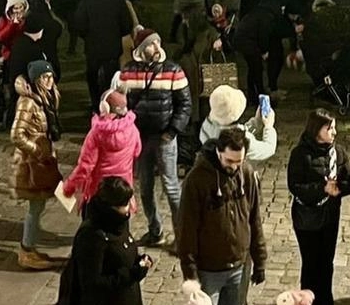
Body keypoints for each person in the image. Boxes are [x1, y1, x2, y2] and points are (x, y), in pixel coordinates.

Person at [177, 127, 267, 305]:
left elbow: (254, 218)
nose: (234, 167)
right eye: (229, 161)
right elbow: (186, 229)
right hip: (208, 270)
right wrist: (191, 275)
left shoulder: (246, 174)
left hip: (240, 266)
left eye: (238, 162)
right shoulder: (197, 180)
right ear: (219, 152)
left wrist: (260, 260)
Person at [120, 27, 192, 247]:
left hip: (164, 137)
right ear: (142, 49)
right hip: (140, 138)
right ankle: (155, 230)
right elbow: (124, 104)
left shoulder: (173, 70)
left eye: (158, 42)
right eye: (151, 44)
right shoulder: (128, 72)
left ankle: (182, 237)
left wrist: (171, 132)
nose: (157, 47)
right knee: (145, 188)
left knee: (171, 187)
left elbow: (185, 104)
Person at [287, 108, 350, 305]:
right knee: (310, 264)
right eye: (329, 128)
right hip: (307, 218)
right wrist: (322, 188)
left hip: (330, 216)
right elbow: (296, 186)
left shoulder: (338, 153)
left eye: (334, 128)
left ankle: (326, 300)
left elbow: (349, 183)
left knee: (326, 263)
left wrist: (340, 187)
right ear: (317, 130)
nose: (334, 132)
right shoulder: (300, 154)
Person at [59, 176, 153, 305]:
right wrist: (131, 275)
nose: (129, 207)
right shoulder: (92, 236)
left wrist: (140, 262)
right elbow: (92, 283)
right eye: (125, 203)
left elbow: (122, 253)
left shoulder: (119, 222)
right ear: (111, 206)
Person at [11, 60, 64, 271]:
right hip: (32, 162)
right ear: (36, 79)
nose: (49, 81)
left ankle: (30, 247)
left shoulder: (46, 98)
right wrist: (37, 150)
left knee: (39, 204)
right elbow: (16, 135)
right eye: (45, 77)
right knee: (35, 206)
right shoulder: (28, 102)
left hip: (43, 159)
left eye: (51, 77)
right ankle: (26, 250)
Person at [62, 89, 141, 215]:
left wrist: (69, 187)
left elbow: (85, 167)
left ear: (105, 107)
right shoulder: (132, 128)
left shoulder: (96, 133)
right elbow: (137, 151)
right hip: (123, 188)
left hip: (100, 192)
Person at [72, 0, 135, 113]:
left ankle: (96, 104)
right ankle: (111, 104)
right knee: (111, 78)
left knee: (92, 76)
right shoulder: (117, 1)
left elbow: (79, 24)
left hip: (93, 47)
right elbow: (127, 25)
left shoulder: (86, 1)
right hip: (112, 48)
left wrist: (87, 36)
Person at [198, 84, 277, 162]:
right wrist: (269, 127)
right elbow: (268, 149)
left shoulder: (207, 125)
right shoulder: (239, 141)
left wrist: (256, 121)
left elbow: (236, 129)